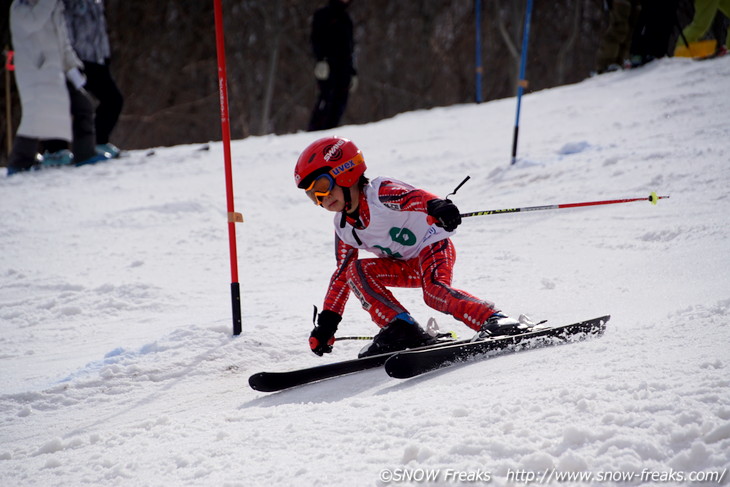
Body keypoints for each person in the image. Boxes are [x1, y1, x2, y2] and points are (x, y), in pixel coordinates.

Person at [294, 137, 524, 358]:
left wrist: (436, 206)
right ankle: (401, 328)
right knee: (354, 271)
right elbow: (342, 275)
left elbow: (413, 197)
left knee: (434, 292)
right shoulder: (344, 226)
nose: (322, 198)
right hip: (404, 266)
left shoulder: (379, 194)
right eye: (313, 196)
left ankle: (495, 319)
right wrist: (327, 323)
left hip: (432, 246)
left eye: (322, 186)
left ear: (345, 173)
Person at [8, 0, 105, 176]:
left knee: (83, 105)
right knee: (34, 117)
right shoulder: (20, 8)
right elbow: (33, 23)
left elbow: (63, 43)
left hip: (57, 73)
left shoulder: (53, 8)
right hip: (35, 74)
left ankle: (85, 153)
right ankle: (19, 161)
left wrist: (73, 67)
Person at [62, 0, 123, 158]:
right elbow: (65, 33)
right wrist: (72, 63)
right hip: (80, 61)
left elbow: (100, 31)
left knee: (113, 100)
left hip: (99, 60)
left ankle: (98, 142)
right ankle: (59, 149)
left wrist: (105, 55)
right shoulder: (67, 4)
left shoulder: (95, 2)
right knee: (79, 106)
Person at [307, 0, 357, 132]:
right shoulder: (322, 15)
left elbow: (350, 47)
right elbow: (315, 39)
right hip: (328, 65)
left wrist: (353, 71)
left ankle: (330, 131)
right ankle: (314, 131)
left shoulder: (347, 19)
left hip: (344, 66)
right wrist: (320, 60)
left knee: (341, 101)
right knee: (326, 97)